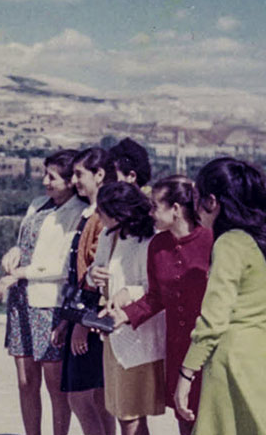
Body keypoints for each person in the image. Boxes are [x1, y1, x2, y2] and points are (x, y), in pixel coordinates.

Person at [176, 158, 266, 435]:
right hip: (262, 363)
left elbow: (214, 320)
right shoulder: (265, 242)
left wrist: (186, 373)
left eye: (197, 198)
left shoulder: (228, 244)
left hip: (228, 366)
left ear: (212, 202)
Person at [104, 175, 212, 435]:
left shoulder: (212, 240)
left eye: (155, 206)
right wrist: (124, 316)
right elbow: (156, 298)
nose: (149, 212)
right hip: (177, 348)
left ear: (175, 209)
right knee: (185, 420)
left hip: (209, 349)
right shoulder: (157, 246)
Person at [0, 149, 85, 435]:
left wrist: (17, 274)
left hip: (49, 303)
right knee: (25, 380)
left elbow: (63, 264)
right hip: (22, 300)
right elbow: (27, 243)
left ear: (71, 181)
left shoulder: (78, 212)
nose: (45, 181)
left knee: (54, 384)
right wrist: (14, 253)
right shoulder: (37, 204)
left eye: (53, 177)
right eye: (45, 174)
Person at [86, 182, 165, 435]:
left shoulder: (149, 240)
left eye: (103, 211)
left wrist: (127, 292)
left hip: (139, 337)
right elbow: (95, 274)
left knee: (131, 416)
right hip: (113, 334)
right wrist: (91, 275)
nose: (98, 216)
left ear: (120, 213)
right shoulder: (108, 237)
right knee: (122, 412)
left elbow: (154, 288)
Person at [51, 147, 117, 435]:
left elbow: (97, 277)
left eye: (79, 174)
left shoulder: (101, 218)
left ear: (99, 174)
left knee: (80, 397)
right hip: (82, 315)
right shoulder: (88, 213)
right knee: (99, 397)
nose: (75, 180)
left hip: (90, 319)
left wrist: (80, 323)